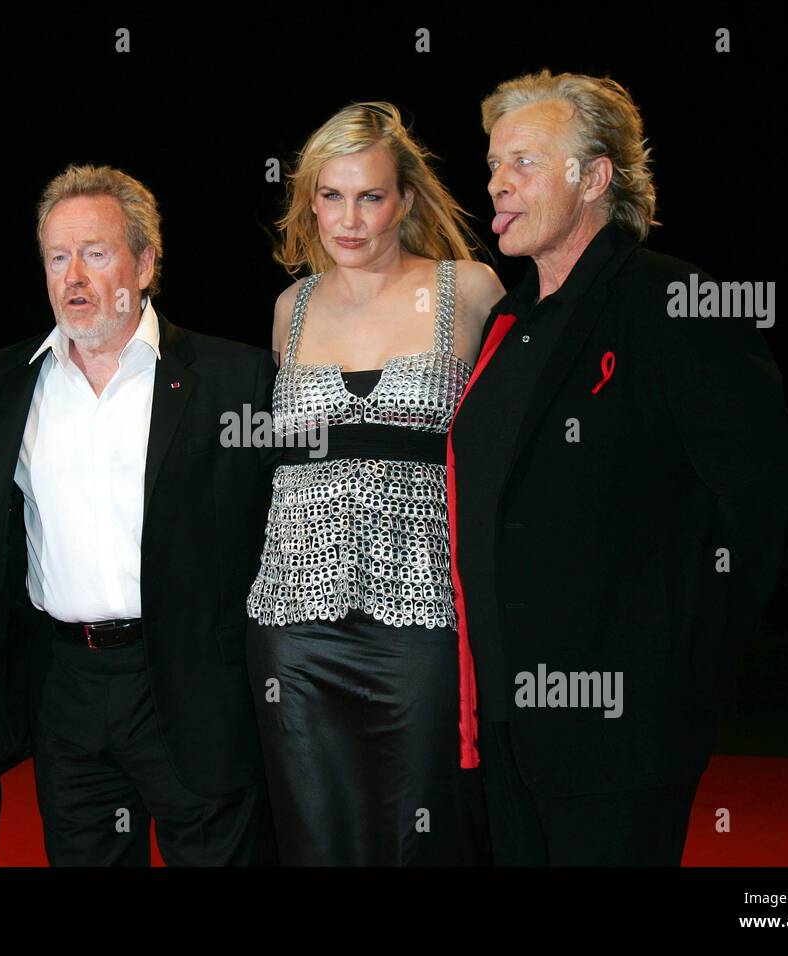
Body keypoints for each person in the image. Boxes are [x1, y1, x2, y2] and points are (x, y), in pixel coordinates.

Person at [448, 70, 788, 865]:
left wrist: (672, 659)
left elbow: (771, 495)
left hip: (624, 728)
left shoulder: (672, 299)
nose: (496, 184)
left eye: (524, 162)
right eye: (493, 164)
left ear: (594, 177)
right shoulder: (507, 323)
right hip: (506, 727)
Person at [0, 165, 277, 866]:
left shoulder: (233, 378)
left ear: (146, 261)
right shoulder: (3, 382)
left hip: (192, 686)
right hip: (63, 686)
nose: (74, 277)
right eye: (57, 258)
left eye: (96, 253)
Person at [245, 102, 505, 865]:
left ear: (406, 200)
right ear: (309, 201)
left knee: (425, 829)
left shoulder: (471, 291)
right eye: (331, 196)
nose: (348, 220)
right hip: (294, 616)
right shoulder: (290, 309)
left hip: (422, 615)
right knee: (314, 831)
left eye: (371, 196)